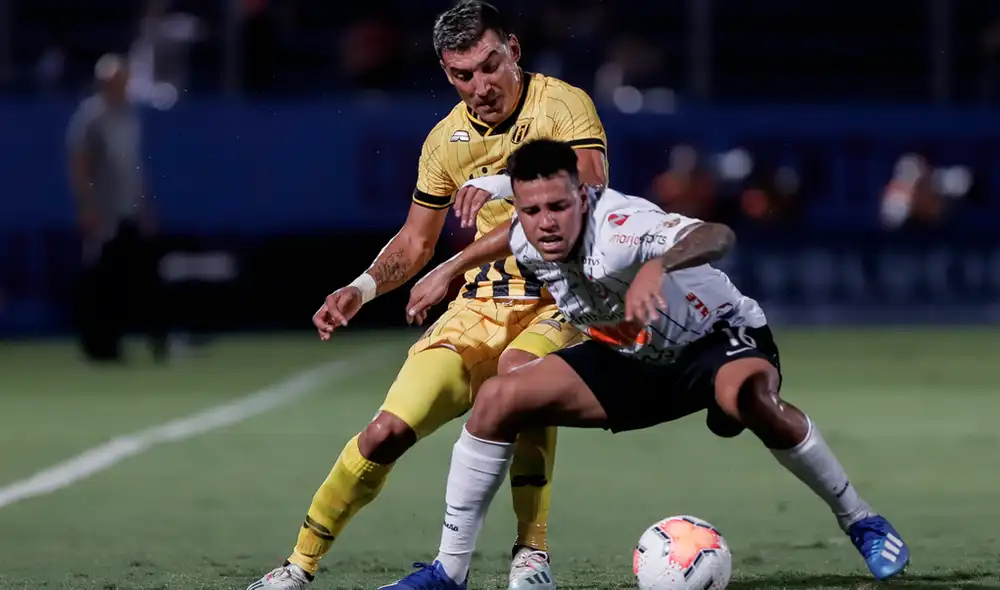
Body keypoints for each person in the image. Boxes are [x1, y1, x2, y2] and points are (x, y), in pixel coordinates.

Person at [386, 138, 910, 589]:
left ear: (583, 195)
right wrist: (451, 267)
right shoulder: (531, 231)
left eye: (558, 207)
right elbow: (512, 236)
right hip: (632, 358)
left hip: (715, 340)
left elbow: (717, 235)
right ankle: (448, 572)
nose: (545, 223)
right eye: (532, 209)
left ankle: (862, 521)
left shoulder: (621, 228)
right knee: (500, 397)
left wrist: (657, 264)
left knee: (746, 398)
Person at [246, 3, 608, 589]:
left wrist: (459, 257)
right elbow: (416, 242)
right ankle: (298, 565)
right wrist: (361, 288)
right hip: (479, 308)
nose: (481, 85)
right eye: (464, 75)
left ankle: (530, 553)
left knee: (520, 379)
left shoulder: (563, 106)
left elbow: (585, 194)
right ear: (447, 73)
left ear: (513, 49)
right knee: (383, 432)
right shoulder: (446, 141)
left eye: (491, 65)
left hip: (559, 299)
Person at [67, 53, 166, 363]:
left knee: (139, 278)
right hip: (106, 214)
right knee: (102, 282)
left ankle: (154, 340)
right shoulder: (91, 118)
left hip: (130, 211)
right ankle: (99, 345)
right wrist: (87, 206)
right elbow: (80, 164)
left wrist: (145, 206)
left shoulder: (129, 116)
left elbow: (135, 168)